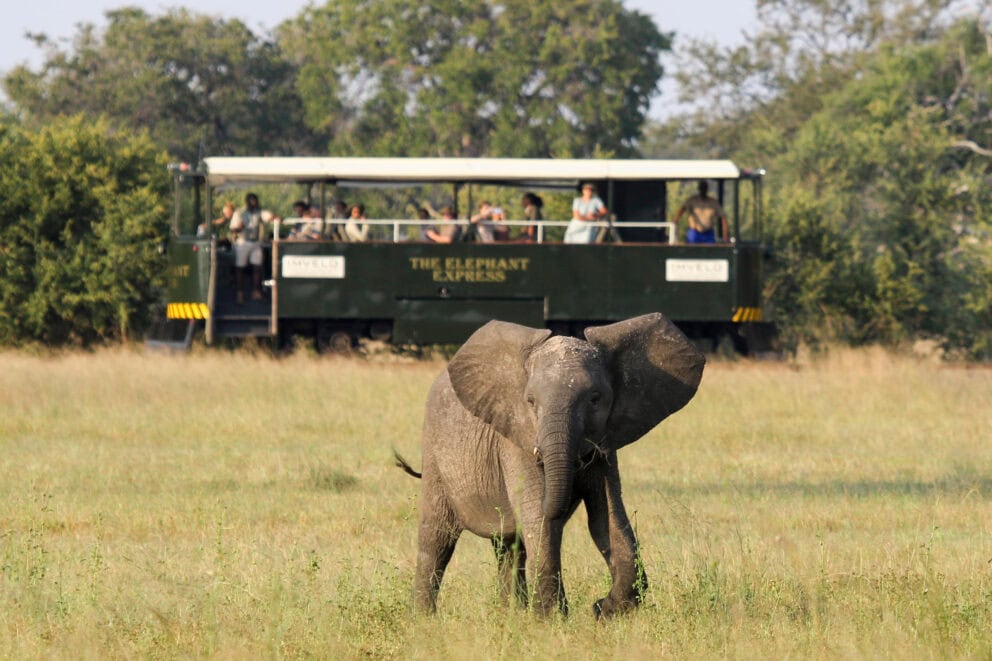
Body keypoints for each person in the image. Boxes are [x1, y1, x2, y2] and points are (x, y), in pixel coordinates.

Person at [232, 192, 277, 303]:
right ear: (247, 201)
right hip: (243, 242)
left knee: (257, 267)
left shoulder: (259, 211)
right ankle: (239, 293)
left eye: (255, 200)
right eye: (251, 200)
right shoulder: (239, 212)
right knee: (240, 268)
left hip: (256, 242)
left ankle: (256, 292)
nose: (253, 203)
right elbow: (233, 229)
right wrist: (239, 227)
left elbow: (269, 216)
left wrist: (275, 218)